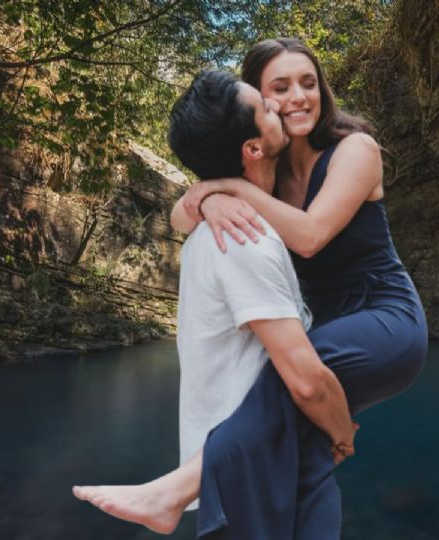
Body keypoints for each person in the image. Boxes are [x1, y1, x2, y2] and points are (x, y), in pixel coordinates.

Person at [73, 69, 358, 535]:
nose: (278, 104)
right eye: (266, 106)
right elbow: (304, 380)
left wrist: (206, 197)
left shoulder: (236, 217)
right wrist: (342, 431)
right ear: (252, 148)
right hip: (252, 479)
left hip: (269, 466)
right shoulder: (242, 238)